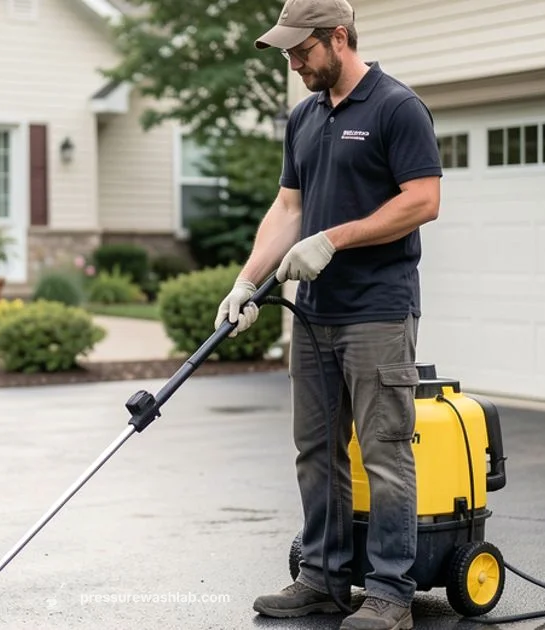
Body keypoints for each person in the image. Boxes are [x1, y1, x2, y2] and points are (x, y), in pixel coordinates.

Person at [214, 1, 442, 629]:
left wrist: (334, 238)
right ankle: (322, 578)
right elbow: (287, 209)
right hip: (312, 314)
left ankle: (391, 592)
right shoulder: (304, 118)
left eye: (301, 51)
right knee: (315, 450)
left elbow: (423, 201)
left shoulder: (397, 107)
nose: (294, 64)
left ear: (338, 38)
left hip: (376, 311)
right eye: (288, 53)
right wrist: (246, 281)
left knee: (384, 451)